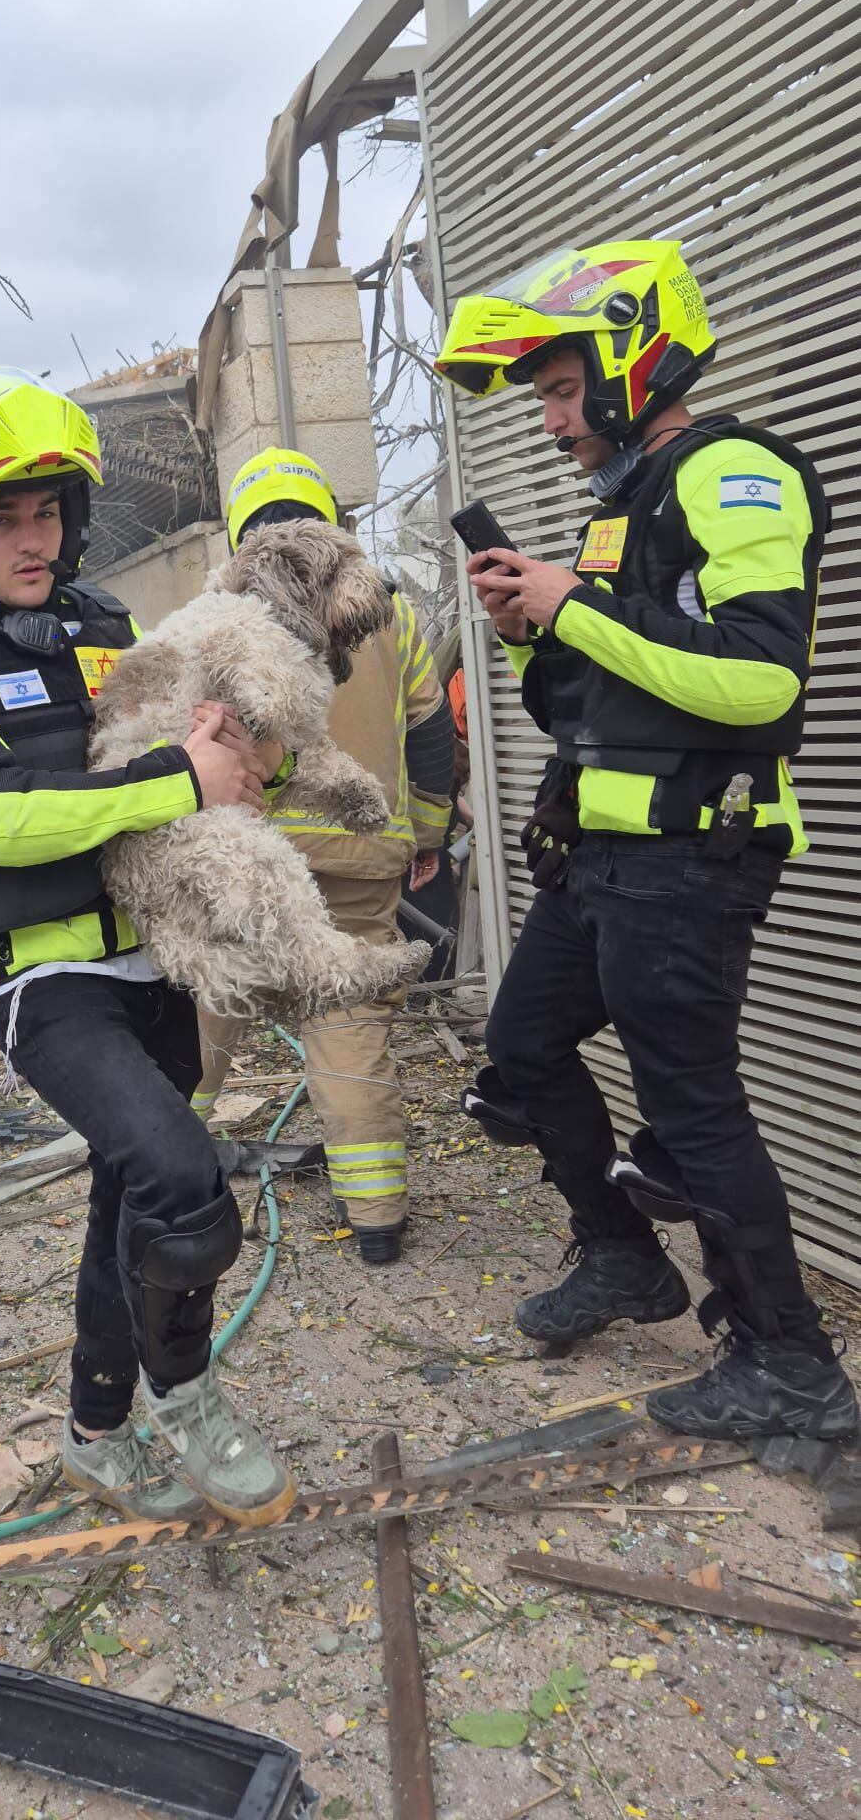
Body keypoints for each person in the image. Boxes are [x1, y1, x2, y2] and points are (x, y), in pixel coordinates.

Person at [436, 238, 856, 1441]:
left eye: (565, 389)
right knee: (520, 1047)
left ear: (637, 356)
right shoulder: (621, 508)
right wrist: (535, 626)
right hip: (602, 853)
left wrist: (575, 601)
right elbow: (591, 699)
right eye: (548, 399)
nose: (556, 421)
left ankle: (790, 1359)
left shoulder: (733, 472)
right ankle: (622, 1257)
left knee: (696, 1104)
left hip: (693, 852)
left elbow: (762, 687)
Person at [0, 366, 296, 1527]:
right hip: (36, 972)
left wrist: (244, 757)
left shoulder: (106, 624)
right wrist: (175, 779)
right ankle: (188, 1391)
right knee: (179, 1173)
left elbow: (206, 762)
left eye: (49, 509)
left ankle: (94, 1428)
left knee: (126, 1192)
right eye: (2, 514)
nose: (33, 536)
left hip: (150, 953)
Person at [189, 448, 454, 1262]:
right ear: (334, 524)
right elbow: (432, 731)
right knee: (348, 1025)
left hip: (249, 856)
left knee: (206, 1011)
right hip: (363, 854)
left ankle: (161, 1173)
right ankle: (376, 1220)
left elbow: (186, 739)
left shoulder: (218, 615)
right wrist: (433, 831)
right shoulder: (390, 613)